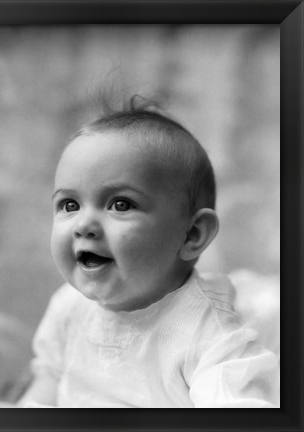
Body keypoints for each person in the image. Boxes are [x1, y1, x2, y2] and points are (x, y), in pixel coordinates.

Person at [15, 97, 279, 408]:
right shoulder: (68, 307)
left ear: (192, 235)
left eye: (121, 204)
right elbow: (50, 380)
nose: (83, 224)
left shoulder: (208, 334)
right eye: (69, 205)